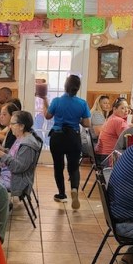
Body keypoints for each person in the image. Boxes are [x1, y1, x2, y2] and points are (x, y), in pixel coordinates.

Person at [45, 75, 91, 208]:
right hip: (73, 137)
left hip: (57, 137)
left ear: (65, 86)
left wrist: (45, 101)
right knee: (74, 166)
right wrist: (77, 120)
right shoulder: (82, 103)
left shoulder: (57, 101)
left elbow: (48, 116)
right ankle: (74, 189)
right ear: (78, 88)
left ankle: (62, 195)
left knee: (58, 166)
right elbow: (87, 123)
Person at [0, 111, 43, 197]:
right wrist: (3, 150)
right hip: (11, 175)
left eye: (12, 124)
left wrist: (3, 155)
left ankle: (1, 206)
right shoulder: (22, 137)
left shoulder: (27, 145)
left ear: (21, 126)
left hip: (17, 181)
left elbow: (18, 167)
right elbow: (15, 155)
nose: (10, 126)